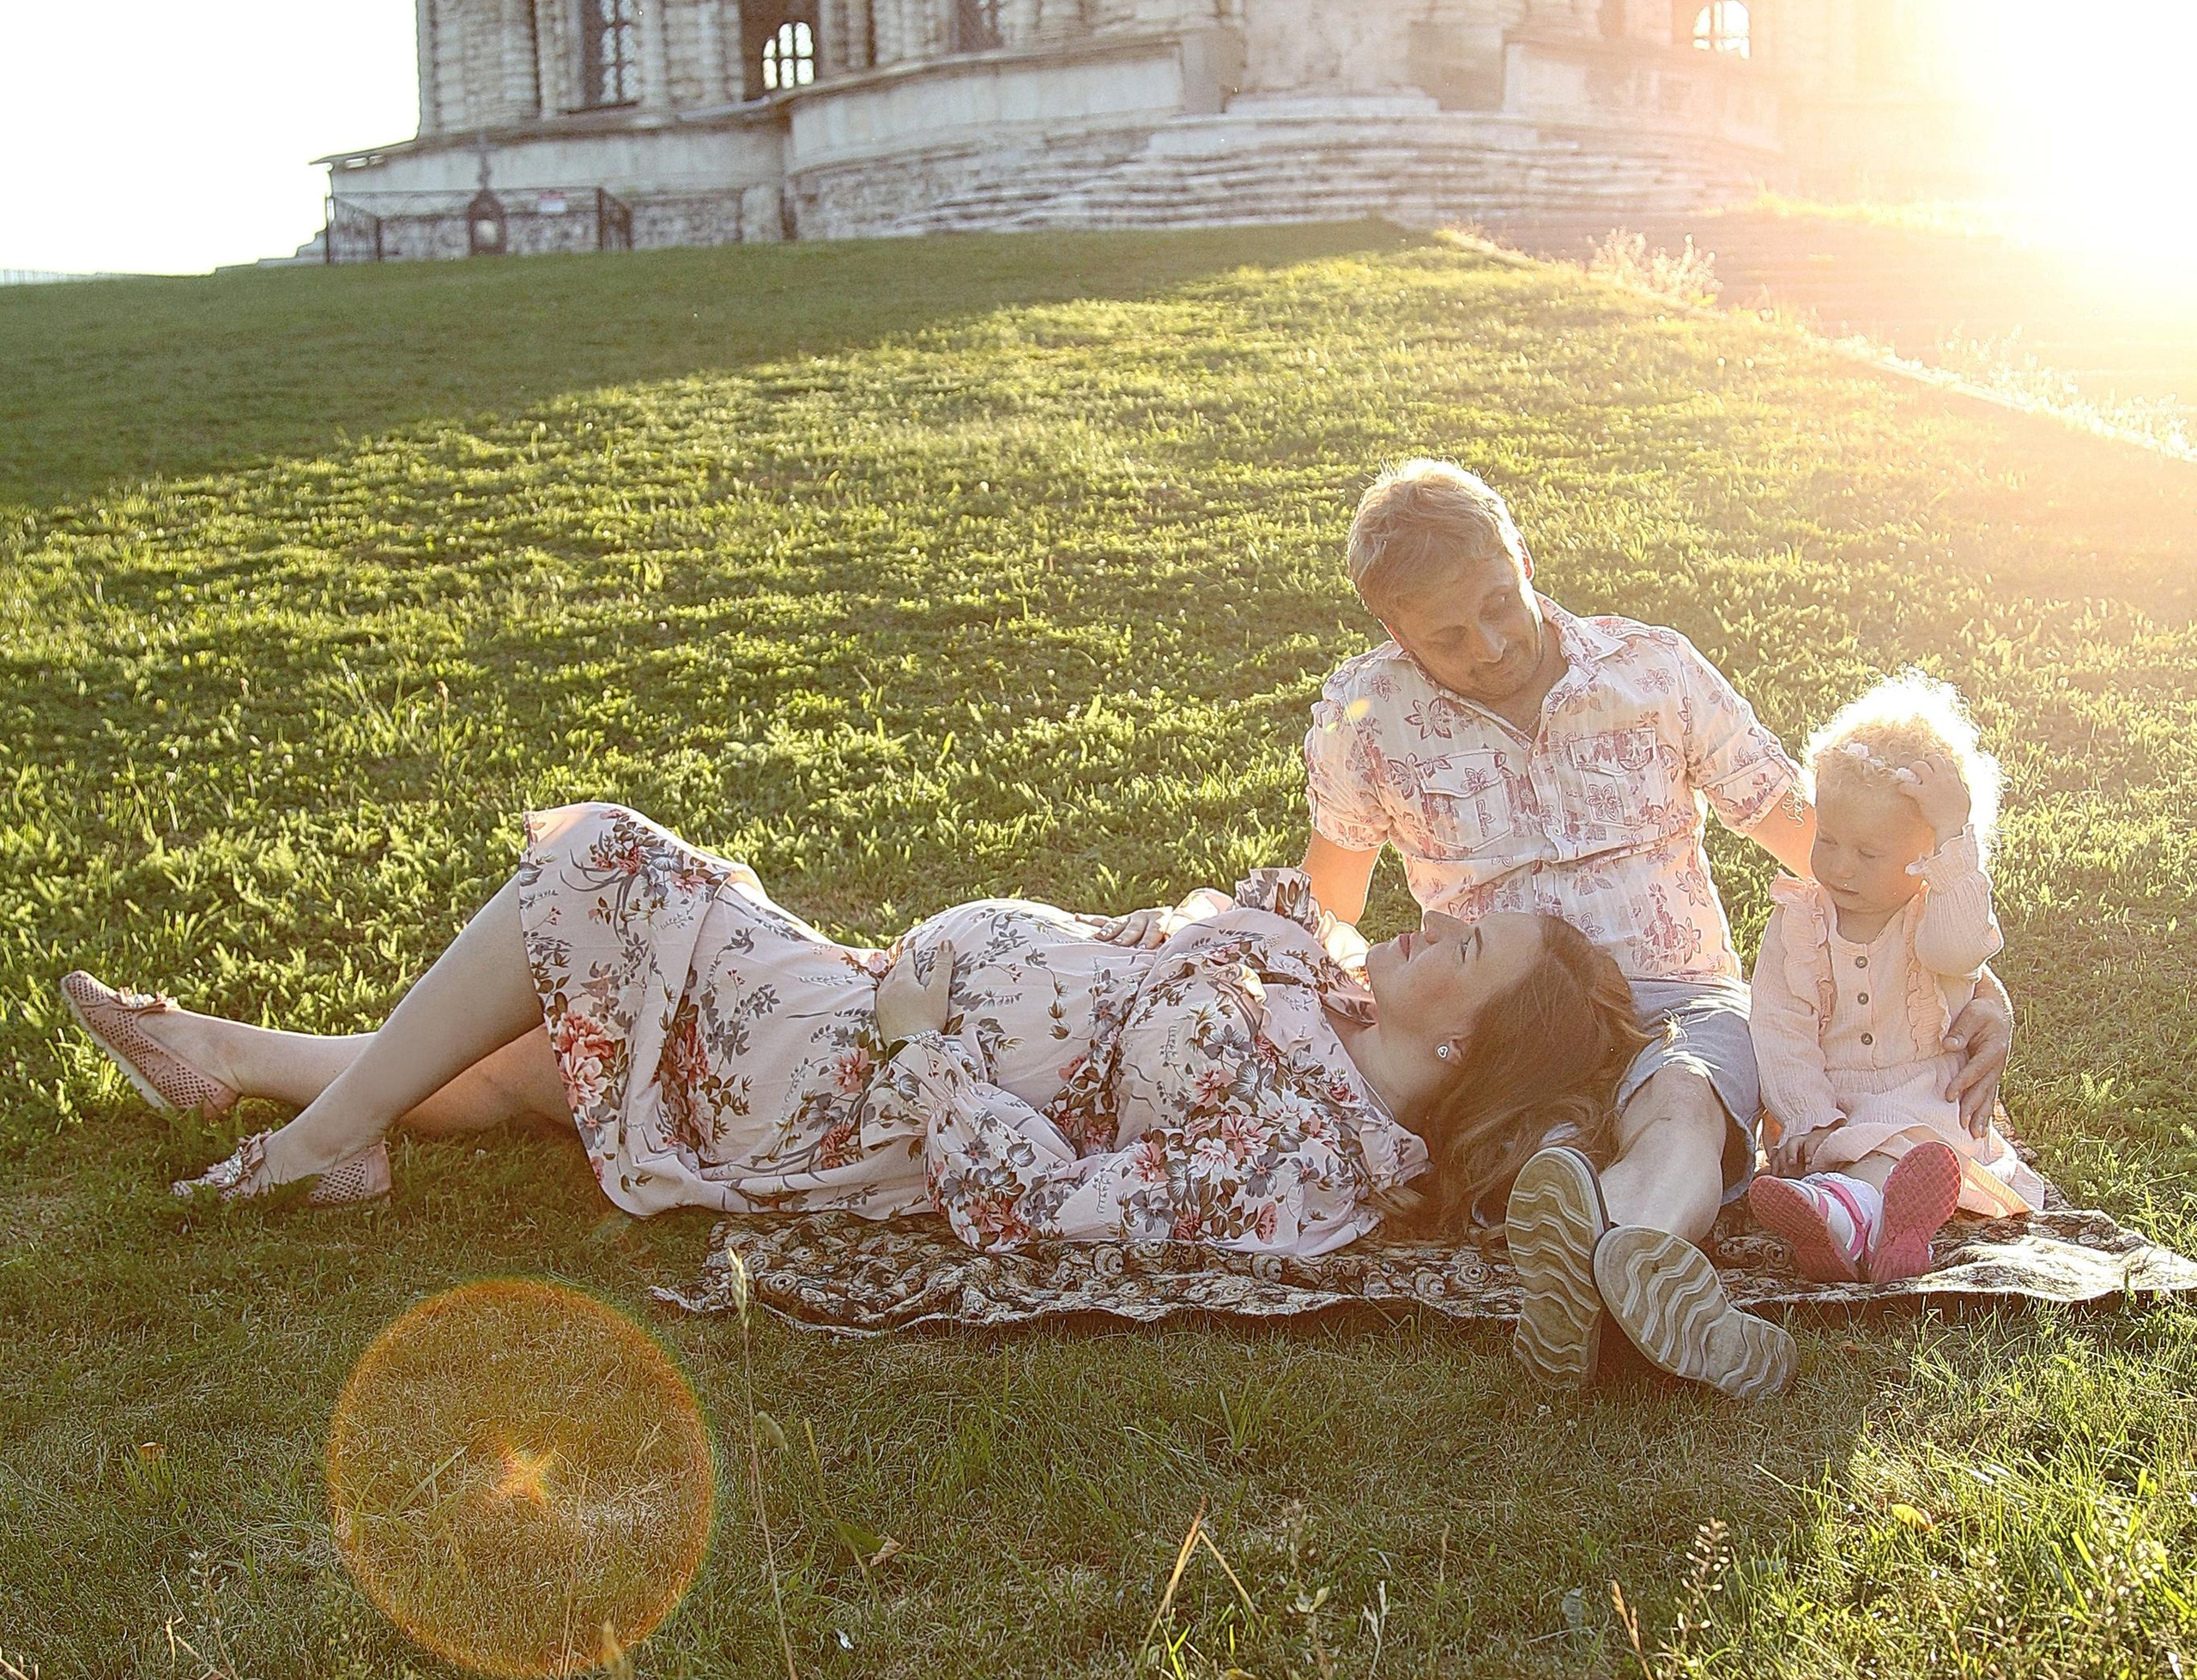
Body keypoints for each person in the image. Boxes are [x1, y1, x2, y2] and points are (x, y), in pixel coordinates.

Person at [63, 806, 1645, 1266]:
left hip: (854, 1090)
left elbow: (1049, 1212)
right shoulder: (1333, 985)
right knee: (582, 1049)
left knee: (606, 871)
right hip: (862, 1008)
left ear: (1469, 1049)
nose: (1434, 920)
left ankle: (324, 1138)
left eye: (1470, 946)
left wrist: (919, 1044)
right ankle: (244, 1058)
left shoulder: (1303, 1159)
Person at [1300, 462, 2015, 1403]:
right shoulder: (1367, 716)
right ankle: (1609, 1264)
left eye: (1499, 603)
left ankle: (1629, 1252)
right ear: (1395, 632)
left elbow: (1822, 848)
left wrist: (1965, 980)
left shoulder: (1654, 671)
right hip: (1503, 1013)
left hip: (1676, 993)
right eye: (1448, 636)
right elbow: (1327, 907)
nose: (1491, 644)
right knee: (1551, 1142)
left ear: (1521, 557)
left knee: (1682, 1095)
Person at [1746, 674, 2045, 1284]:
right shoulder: (1799, 920)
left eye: (1868, 853)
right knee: (1840, 1145)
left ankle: (1848, 1217)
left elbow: (1963, 951)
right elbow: (1780, 1028)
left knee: (1915, 1145)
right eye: (1828, 840)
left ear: (1924, 855)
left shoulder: (1934, 914)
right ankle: (1888, 1229)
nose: (1839, 866)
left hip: (1924, 1090)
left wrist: (1955, 836)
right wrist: (1807, 1114)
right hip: (1832, 1098)